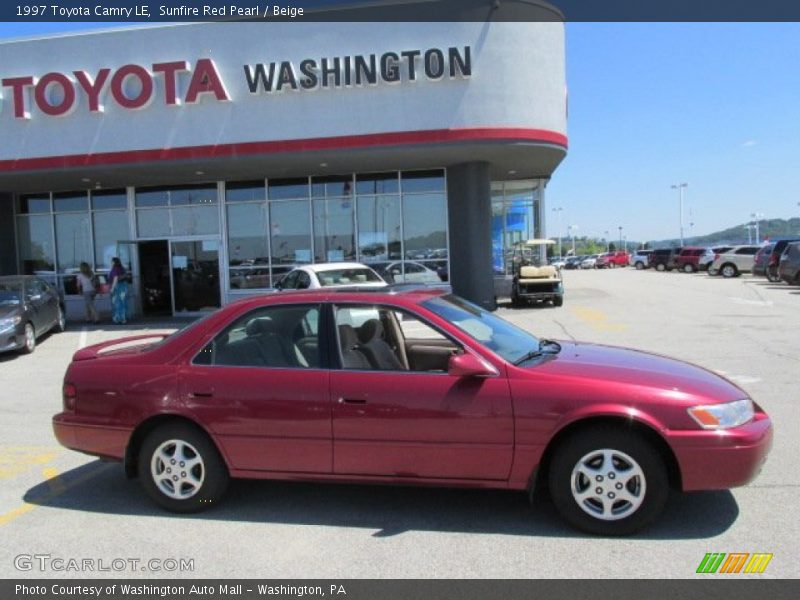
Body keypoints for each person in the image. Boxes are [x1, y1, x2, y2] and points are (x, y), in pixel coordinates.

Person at [109, 257, 129, 324]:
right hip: (124, 287)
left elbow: (115, 278)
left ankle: (117, 318)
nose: (111, 263)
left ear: (114, 262)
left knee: (117, 303)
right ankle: (124, 318)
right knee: (123, 302)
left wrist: (112, 288)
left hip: (117, 287)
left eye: (111, 261)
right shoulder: (122, 268)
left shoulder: (114, 269)